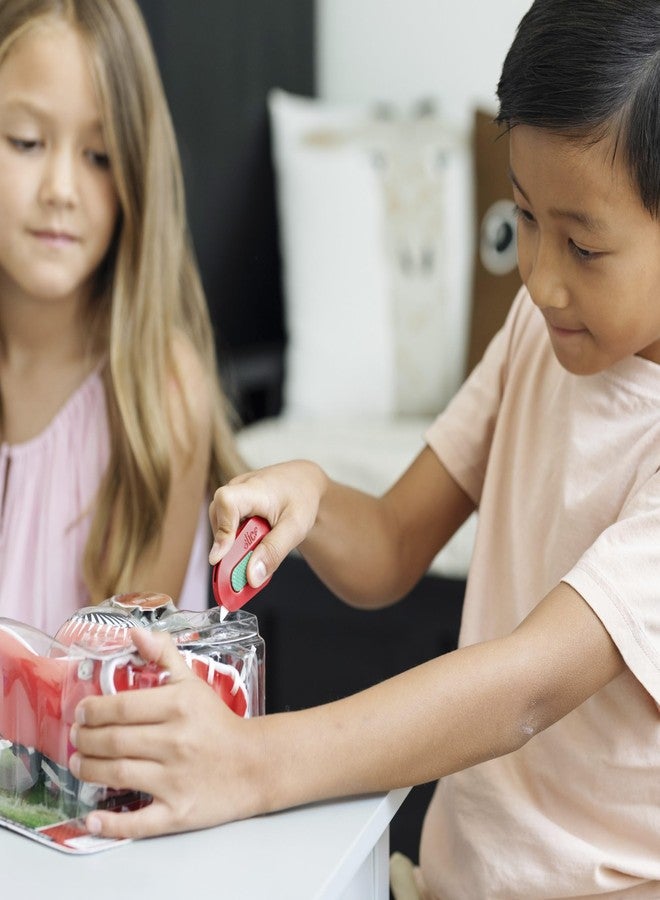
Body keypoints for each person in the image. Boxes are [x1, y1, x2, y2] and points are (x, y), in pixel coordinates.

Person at [70, 1, 660, 896]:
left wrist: (253, 762)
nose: (539, 280)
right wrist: (312, 495)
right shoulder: (537, 340)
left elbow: (528, 688)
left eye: (582, 243)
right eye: (526, 219)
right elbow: (388, 546)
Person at [0, 0, 242, 634]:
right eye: (26, 142)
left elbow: (117, 695)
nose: (60, 188)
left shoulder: (160, 399)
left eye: (100, 156)